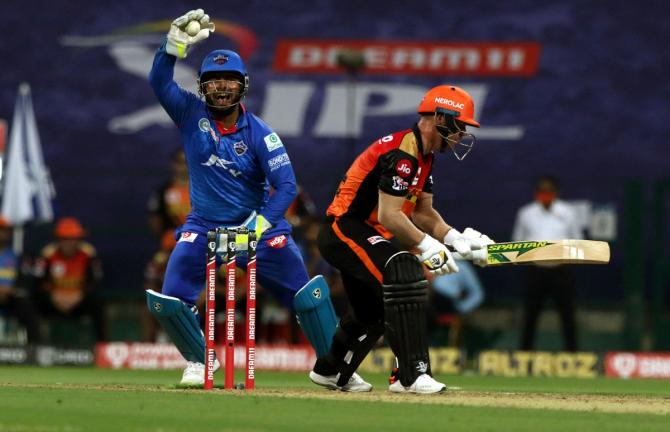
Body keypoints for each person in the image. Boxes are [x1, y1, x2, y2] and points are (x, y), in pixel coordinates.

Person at [146, 9, 343, 387]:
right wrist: (170, 48)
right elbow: (159, 82)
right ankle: (200, 360)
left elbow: (286, 186)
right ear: (202, 86)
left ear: (243, 87)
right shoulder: (189, 113)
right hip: (203, 225)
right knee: (171, 299)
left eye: (229, 81)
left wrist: (259, 224)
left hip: (258, 229)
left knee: (307, 297)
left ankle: (335, 369)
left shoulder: (261, 133)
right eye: (213, 81)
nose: (221, 87)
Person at [312, 85, 493, 394]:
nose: (462, 134)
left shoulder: (425, 156)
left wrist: (454, 237)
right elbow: (389, 215)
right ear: (439, 118)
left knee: (372, 313)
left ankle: (331, 370)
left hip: (363, 233)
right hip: (345, 229)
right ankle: (411, 376)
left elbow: (423, 212)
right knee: (404, 273)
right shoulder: (403, 155)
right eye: (460, 125)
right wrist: (427, 246)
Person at [512, 176, 582, 351]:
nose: (545, 195)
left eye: (549, 192)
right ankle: (524, 355)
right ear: (537, 194)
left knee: (568, 314)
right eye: (542, 192)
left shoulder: (568, 212)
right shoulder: (526, 213)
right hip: (535, 270)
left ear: (556, 193)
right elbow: (518, 241)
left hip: (561, 270)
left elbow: (578, 239)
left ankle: (572, 355)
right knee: (530, 315)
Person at [33, 217, 105, 342]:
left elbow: (95, 282)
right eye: (65, 239)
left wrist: (79, 295)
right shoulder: (47, 255)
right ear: (58, 240)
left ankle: (102, 348)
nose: (69, 243)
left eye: (73, 239)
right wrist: (53, 296)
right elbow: (37, 282)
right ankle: (35, 347)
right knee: (32, 303)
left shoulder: (88, 254)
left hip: (78, 301)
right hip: (54, 302)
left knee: (97, 303)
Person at [0, 217, 40, 344]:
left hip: (10, 297)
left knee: (26, 306)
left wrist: (11, 290)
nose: (1, 233)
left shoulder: (16, 256)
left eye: (4, 230)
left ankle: (35, 350)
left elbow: (25, 281)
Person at [147, 148, 191, 239]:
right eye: (180, 162)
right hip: (172, 245)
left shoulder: (206, 191)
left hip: (200, 244)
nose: (183, 166)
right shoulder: (162, 191)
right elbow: (155, 219)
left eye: (187, 162)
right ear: (173, 164)